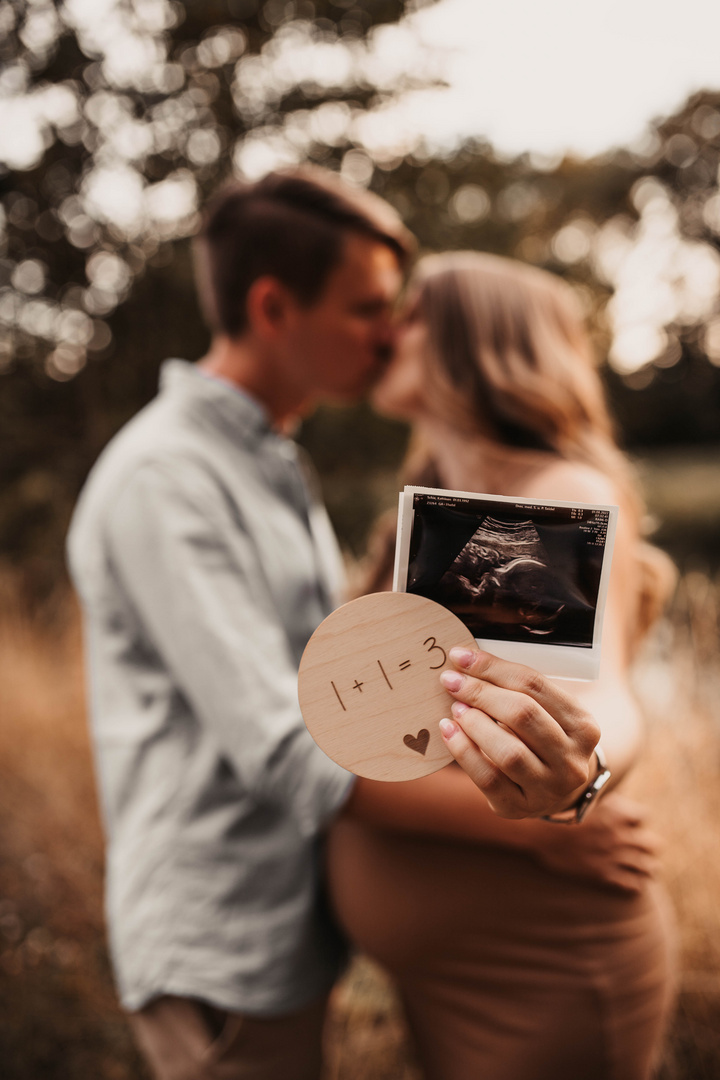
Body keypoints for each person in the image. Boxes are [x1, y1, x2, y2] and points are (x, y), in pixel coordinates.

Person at [66, 175, 606, 1080]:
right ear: (273, 307)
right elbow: (287, 750)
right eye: (366, 309)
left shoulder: (269, 460)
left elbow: (346, 695)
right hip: (224, 950)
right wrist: (552, 809)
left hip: (283, 940)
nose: (390, 333)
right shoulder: (167, 479)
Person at [327, 252, 677, 1080]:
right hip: (447, 975)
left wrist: (581, 771)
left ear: (474, 344)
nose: (387, 331)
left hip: (541, 974)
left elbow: (605, 701)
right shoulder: (426, 512)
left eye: (411, 314)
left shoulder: (555, 493)